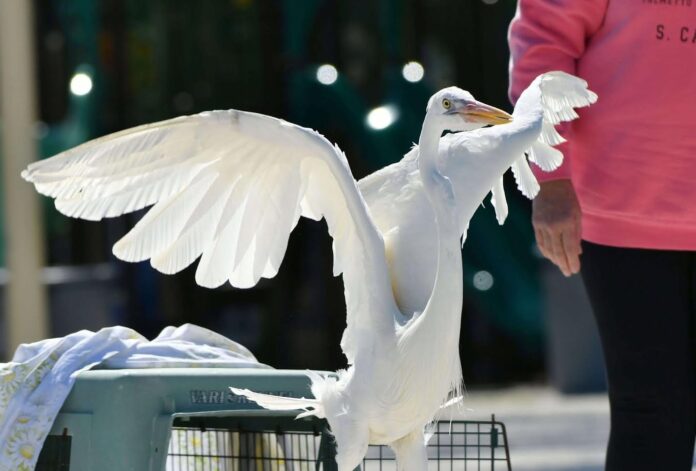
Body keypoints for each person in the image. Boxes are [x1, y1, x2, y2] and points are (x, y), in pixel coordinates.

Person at [508, 1, 696, 470]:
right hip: (625, 213)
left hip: (624, 205)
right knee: (652, 417)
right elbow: (543, 47)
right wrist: (550, 178)